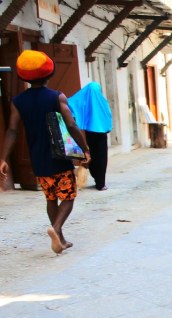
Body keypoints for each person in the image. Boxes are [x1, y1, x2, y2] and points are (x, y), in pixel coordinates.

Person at [0, 50, 91, 254]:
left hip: (37, 158)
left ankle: (61, 238)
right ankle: (56, 228)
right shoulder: (56, 97)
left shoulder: (18, 101)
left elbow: (12, 130)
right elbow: (71, 125)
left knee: (51, 198)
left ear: (23, 76)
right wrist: (84, 149)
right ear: (49, 74)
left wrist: (3, 158)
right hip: (59, 156)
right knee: (68, 196)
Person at [67, 82, 112, 190]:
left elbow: (71, 103)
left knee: (91, 154)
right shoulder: (101, 101)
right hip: (101, 133)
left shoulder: (85, 99)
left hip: (90, 131)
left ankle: (96, 177)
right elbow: (108, 115)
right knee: (101, 157)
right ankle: (100, 183)